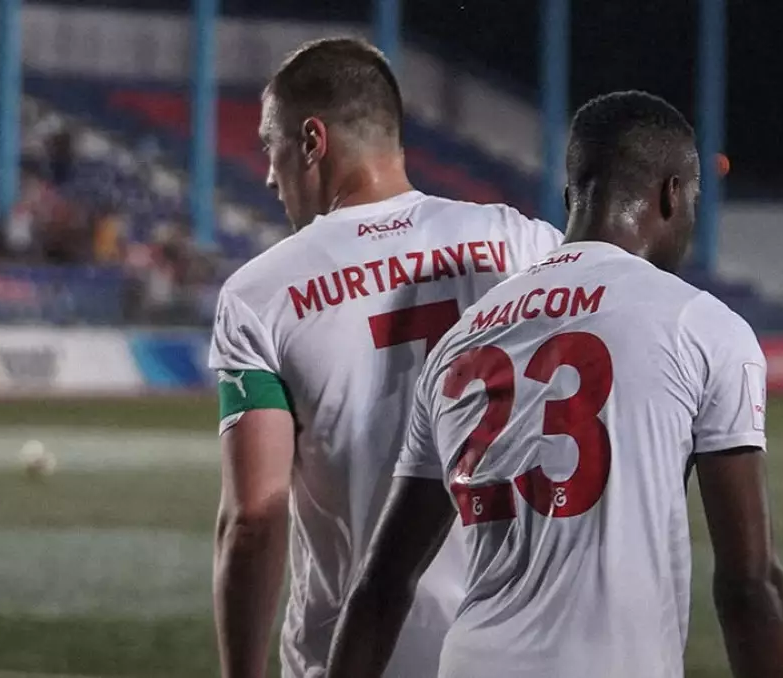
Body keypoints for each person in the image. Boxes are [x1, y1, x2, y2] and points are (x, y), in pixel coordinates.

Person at [327, 91, 783, 678]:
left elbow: (381, 583)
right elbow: (750, 582)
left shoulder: (460, 339)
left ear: (572, 198)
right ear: (673, 194)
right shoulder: (700, 324)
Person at [208, 37, 564, 678]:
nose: (268, 175)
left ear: (312, 141)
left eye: (271, 146)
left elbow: (255, 516)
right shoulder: (526, 244)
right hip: (518, 651)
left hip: (353, 655)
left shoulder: (259, 295)